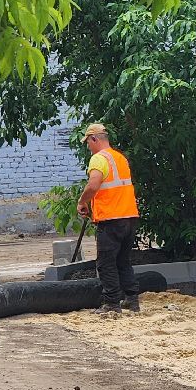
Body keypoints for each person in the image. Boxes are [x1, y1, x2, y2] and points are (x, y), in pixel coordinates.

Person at [76, 122, 141, 315]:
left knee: (106, 263)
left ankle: (112, 303)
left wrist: (82, 201)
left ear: (94, 139)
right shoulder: (120, 158)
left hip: (111, 219)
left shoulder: (98, 159)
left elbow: (94, 184)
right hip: (129, 217)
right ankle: (132, 300)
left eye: (87, 142)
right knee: (123, 261)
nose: (87, 146)